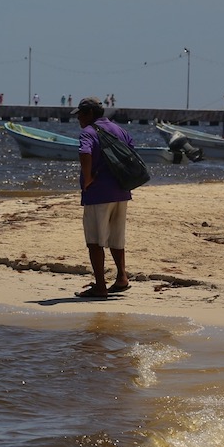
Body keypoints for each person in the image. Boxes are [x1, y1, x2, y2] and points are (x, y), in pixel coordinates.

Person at [74, 96, 133, 298]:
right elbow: (131, 153)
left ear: (90, 114)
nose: (78, 118)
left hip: (98, 194)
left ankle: (100, 286)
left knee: (95, 241)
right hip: (121, 191)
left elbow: (85, 153)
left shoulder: (88, 132)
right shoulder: (120, 130)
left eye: (80, 114)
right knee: (117, 237)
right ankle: (122, 278)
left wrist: (88, 178)